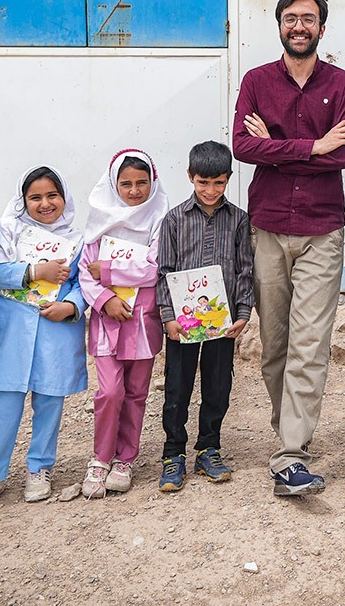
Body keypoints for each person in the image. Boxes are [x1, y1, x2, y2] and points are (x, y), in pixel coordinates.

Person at [232, 0, 345, 496]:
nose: (299, 26)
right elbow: (243, 146)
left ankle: (290, 453)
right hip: (266, 227)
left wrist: (276, 146)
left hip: (321, 230)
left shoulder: (343, 83)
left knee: (310, 344)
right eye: (290, 18)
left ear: (322, 28)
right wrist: (313, 145)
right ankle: (287, 428)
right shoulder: (257, 81)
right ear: (280, 25)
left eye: (308, 18)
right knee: (275, 345)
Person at [0, 166, 87, 510]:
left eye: (53, 195)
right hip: (11, 333)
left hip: (55, 333)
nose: (45, 203)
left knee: (49, 404)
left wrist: (71, 305)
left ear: (65, 197)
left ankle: (40, 469)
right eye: (35, 197)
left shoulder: (77, 239)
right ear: (23, 201)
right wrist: (36, 271)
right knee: (1, 407)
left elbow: (82, 284)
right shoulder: (8, 231)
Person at [155, 141, 256, 492]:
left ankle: (209, 449)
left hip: (222, 323)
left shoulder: (239, 220)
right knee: (177, 387)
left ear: (228, 179)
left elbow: (246, 270)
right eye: (203, 183)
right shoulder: (174, 219)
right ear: (190, 177)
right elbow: (164, 271)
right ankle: (173, 454)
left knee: (218, 387)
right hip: (183, 325)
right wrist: (168, 317)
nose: (211, 191)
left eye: (219, 183)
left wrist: (243, 313)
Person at [77, 149, 166, 498]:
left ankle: (125, 458)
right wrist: (105, 299)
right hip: (107, 321)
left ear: (153, 183)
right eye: (125, 183)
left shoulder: (159, 218)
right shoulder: (100, 220)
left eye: (142, 183)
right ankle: (101, 459)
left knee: (136, 394)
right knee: (110, 391)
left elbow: (155, 268)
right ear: (113, 185)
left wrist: (110, 270)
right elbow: (86, 271)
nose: (134, 191)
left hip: (142, 322)